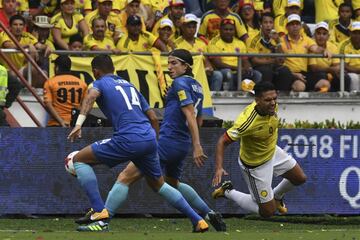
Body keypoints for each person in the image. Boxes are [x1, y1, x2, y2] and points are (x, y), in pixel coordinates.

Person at [74, 49, 226, 232]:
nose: (169, 67)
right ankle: (204, 215)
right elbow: (197, 118)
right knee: (169, 182)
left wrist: (197, 145)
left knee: (123, 177)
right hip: (180, 142)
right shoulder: (197, 86)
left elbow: (189, 114)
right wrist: (191, 140)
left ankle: (101, 219)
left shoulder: (179, 83)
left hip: (166, 140)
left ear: (186, 66)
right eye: (168, 63)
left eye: (174, 63)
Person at [212, 81, 307, 218]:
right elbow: (222, 141)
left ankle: (277, 197)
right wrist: (219, 167)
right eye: (268, 100)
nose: (273, 103)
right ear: (257, 101)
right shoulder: (246, 123)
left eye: (275, 98)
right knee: (268, 212)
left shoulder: (272, 107)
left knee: (299, 178)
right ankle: (228, 192)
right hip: (255, 164)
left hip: (272, 151)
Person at [246, 12, 296, 91]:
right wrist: (272, 61)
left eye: (270, 22)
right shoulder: (253, 39)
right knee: (266, 71)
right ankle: (265, 96)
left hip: (272, 66)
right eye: (265, 22)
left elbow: (282, 59)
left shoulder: (275, 38)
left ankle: (281, 97)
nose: (268, 25)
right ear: (260, 24)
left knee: (285, 71)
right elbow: (254, 60)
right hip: (258, 67)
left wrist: (278, 42)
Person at [43, 55, 87, 127]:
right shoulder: (82, 83)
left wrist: (61, 122)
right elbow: (85, 106)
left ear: (57, 68)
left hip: (56, 124)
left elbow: (48, 104)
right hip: (75, 124)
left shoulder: (50, 82)